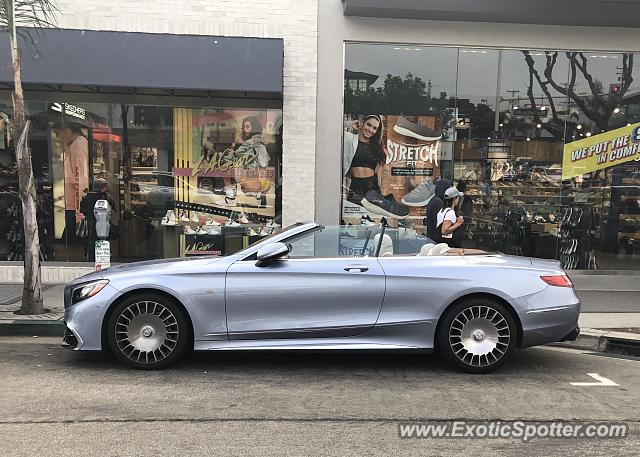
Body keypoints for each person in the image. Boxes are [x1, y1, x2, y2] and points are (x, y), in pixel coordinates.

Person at [54, 122, 89, 244]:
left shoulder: (78, 145)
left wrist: (80, 212)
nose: (57, 137)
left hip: (75, 205)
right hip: (73, 204)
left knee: (71, 244)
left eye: (58, 133)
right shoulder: (74, 145)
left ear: (67, 130)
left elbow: (81, 177)